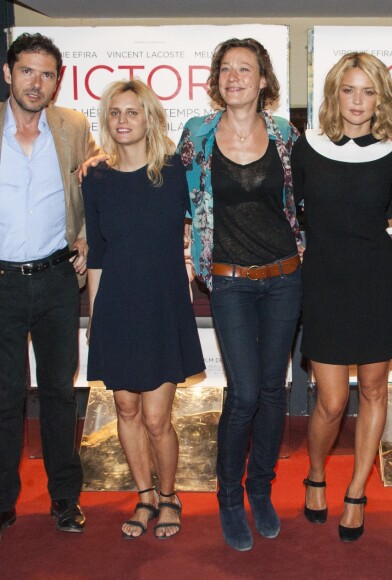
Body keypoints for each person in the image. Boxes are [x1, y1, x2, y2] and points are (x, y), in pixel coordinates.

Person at [177, 38, 302, 552]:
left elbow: (310, 196)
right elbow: (165, 185)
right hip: (228, 280)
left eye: (244, 69)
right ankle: (229, 497)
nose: (234, 77)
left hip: (285, 277)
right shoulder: (197, 134)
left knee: (275, 390)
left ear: (264, 80)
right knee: (245, 391)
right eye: (225, 69)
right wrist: (98, 163)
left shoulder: (286, 135)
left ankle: (260, 489)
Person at [291, 53, 392, 542]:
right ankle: (316, 474)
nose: (358, 102)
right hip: (323, 280)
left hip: (376, 280)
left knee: (376, 390)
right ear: (334, 94)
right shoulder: (307, 148)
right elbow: (289, 212)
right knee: (332, 402)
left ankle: (357, 491)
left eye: (368, 92)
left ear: (380, 97)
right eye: (348, 90)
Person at [83, 79, 205, 539]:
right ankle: (144, 497)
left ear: (150, 117)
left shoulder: (175, 172)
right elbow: (97, 253)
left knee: (157, 417)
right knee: (126, 409)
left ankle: (170, 496)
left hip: (162, 305)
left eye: (132, 112)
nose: (122, 121)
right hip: (115, 304)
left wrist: (195, 254)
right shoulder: (94, 178)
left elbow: (204, 220)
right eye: (115, 113)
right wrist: (96, 317)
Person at [0, 33, 99, 538]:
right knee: (5, 394)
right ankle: (2, 501)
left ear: (56, 82)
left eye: (46, 74)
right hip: (2, 283)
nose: (36, 83)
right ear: (7, 73)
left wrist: (83, 238)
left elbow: (96, 175)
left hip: (58, 278)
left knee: (60, 392)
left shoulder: (72, 126)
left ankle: (65, 498)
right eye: (27, 71)